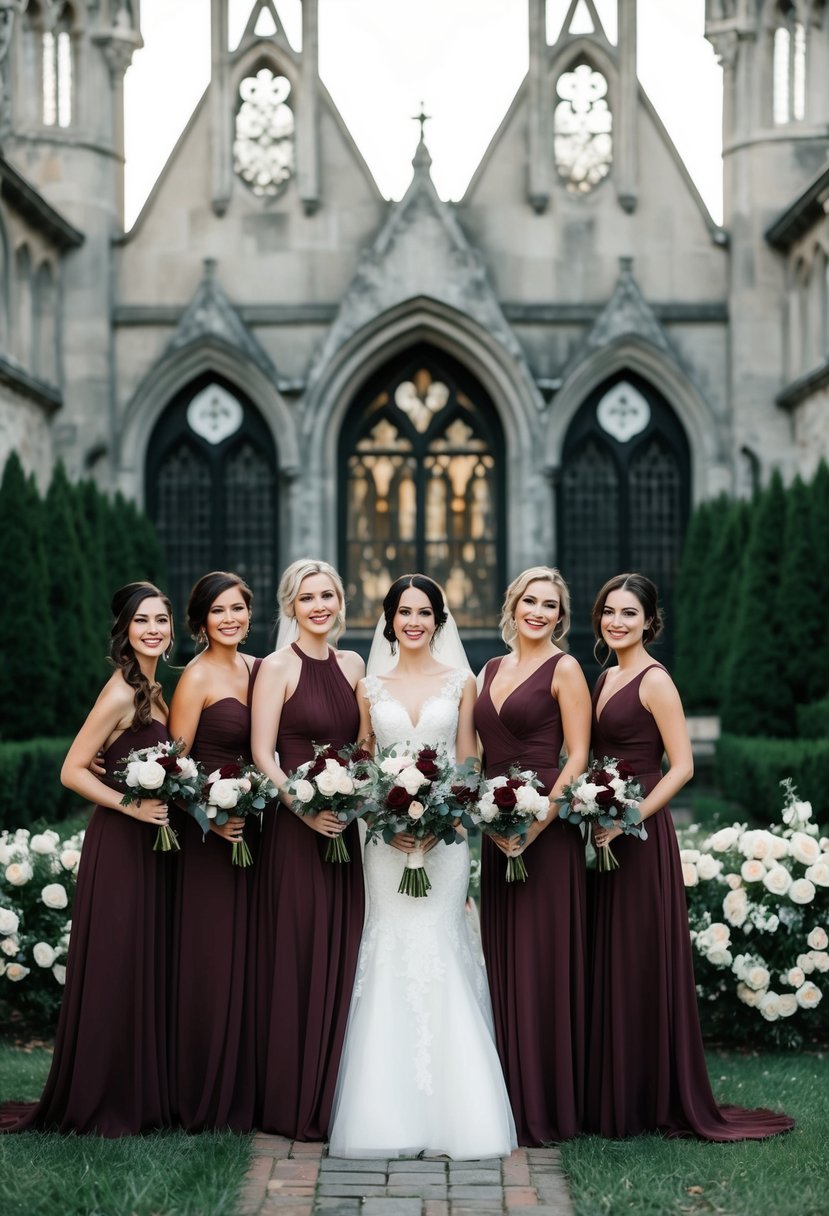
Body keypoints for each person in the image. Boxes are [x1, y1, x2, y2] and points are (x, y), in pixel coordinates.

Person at [586, 572, 794, 1140]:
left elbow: (682, 765)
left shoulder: (655, 680)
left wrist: (630, 817)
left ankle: (645, 1097)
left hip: (641, 834)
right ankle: (611, 1091)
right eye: (609, 611)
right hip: (602, 830)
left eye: (629, 613)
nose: (617, 621)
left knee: (638, 958)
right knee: (610, 958)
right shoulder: (605, 677)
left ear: (649, 621)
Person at [328, 573, 516, 1160]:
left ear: (439, 620)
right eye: (403, 611)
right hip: (381, 841)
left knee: (439, 940)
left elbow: (467, 762)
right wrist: (383, 813)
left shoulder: (463, 681)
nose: (414, 621)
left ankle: (459, 1111)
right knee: (386, 943)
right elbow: (363, 758)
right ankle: (381, 1110)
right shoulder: (368, 685)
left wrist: (440, 825)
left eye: (424, 612)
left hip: (446, 840)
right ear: (389, 619)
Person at [0, 582, 174, 1136]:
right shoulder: (122, 690)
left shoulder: (153, 687)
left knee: (140, 963)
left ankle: (140, 1089)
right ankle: (103, 1097)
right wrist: (132, 805)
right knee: (117, 963)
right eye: (142, 621)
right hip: (121, 843)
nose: (153, 629)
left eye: (162, 620)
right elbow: (72, 768)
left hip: (150, 844)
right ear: (124, 630)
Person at [248, 558, 365, 1141]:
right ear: (289, 605)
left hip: (343, 833)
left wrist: (356, 796)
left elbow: (362, 746)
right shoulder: (276, 667)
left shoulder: (353, 664)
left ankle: (333, 1090)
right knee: (296, 955)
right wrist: (302, 806)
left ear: (340, 602)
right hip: (296, 834)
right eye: (308, 597)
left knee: (342, 954)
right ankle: (291, 1098)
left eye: (328, 595)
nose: (320, 606)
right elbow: (263, 753)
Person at [474, 566, 591, 1145]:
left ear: (560, 616)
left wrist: (540, 819)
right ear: (513, 604)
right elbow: (472, 758)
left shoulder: (566, 669)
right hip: (498, 834)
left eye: (550, 605)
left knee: (543, 962)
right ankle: (509, 1096)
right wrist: (484, 817)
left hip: (546, 831)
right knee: (504, 961)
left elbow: (578, 756)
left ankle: (550, 1103)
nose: (539, 612)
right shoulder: (489, 670)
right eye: (530, 600)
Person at [167, 571, 262, 1131]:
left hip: (256, 834)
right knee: (213, 961)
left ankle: (246, 1088)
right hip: (211, 843)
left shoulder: (257, 669)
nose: (230, 619)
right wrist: (213, 814)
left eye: (238, 609)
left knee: (250, 960)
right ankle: (203, 1091)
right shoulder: (196, 678)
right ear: (201, 621)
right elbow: (175, 770)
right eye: (218, 611)